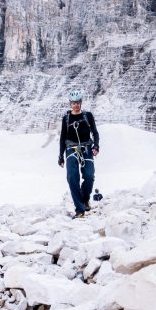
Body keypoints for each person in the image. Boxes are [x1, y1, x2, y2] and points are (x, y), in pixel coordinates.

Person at [58, 90, 99, 218]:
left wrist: (96, 145)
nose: (76, 105)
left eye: (78, 103)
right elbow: (63, 137)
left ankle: (85, 199)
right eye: (74, 103)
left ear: (81, 103)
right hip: (71, 149)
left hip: (86, 148)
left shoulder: (88, 116)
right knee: (72, 177)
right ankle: (80, 209)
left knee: (89, 175)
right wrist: (61, 155)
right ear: (70, 104)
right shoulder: (66, 119)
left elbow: (95, 133)